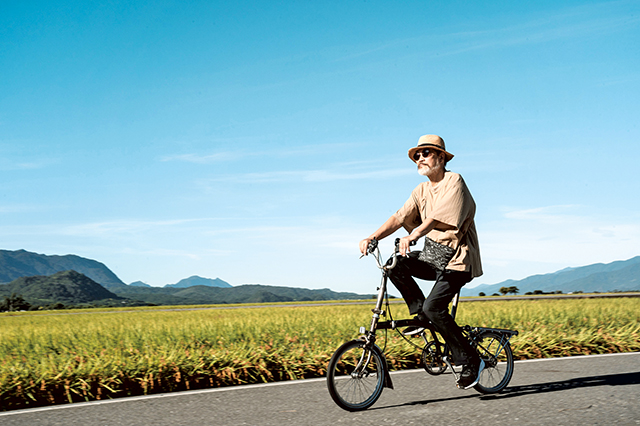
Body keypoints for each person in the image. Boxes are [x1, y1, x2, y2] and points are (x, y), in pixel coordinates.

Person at [359, 134, 484, 389]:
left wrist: (414, 235)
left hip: (459, 259)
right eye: (417, 155)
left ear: (440, 156)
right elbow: (399, 217)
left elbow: (438, 218)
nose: (420, 158)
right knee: (395, 264)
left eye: (425, 153)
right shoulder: (421, 190)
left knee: (435, 308)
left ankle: (471, 360)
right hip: (434, 256)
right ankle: (418, 312)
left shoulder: (454, 181)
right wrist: (372, 237)